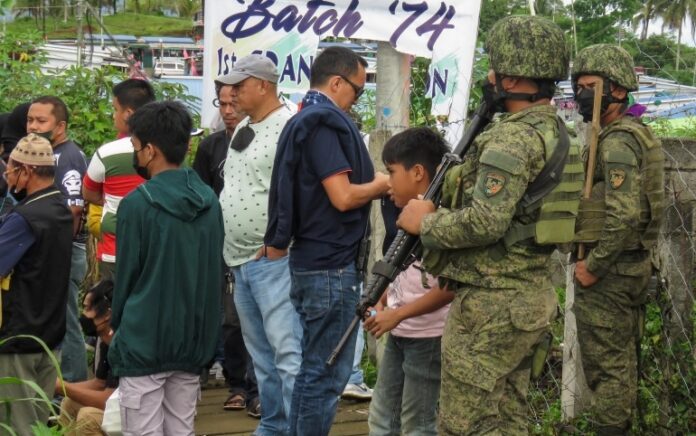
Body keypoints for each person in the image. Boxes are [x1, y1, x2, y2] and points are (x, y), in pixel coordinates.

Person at [396, 15, 569, 434]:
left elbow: (486, 222)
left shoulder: (512, 138)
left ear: (512, 77)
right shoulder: (556, 132)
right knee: (506, 418)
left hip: (493, 305)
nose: (489, 76)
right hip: (525, 299)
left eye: (495, 68)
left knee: (464, 425)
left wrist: (428, 223)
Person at [265, 46, 390, 436]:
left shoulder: (304, 117)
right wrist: (383, 183)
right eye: (357, 89)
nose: (357, 99)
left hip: (311, 261)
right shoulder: (323, 123)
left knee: (313, 369)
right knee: (327, 374)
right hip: (330, 267)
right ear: (336, 82)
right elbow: (343, 196)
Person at [108, 101, 223, 434]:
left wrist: (118, 329)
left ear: (150, 150)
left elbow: (127, 278)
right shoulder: (210, 201)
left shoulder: (137, 204)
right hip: (193, 340)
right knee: (180, 429)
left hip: (144, 340)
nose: (135, 154)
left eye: (135, 147)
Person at [571, 44, 665, 435]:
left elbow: (623, 215)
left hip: (611, 274)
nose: (581, 94)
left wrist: (593, 267)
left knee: (607, 370)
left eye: (590, 85)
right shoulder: (629, 135)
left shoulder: (617, 142)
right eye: (577, 86)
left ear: (619, 91)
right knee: (621, 364)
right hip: (627, 269)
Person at [217, 54, 302, 435]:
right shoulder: (242, 127)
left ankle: (298, 427)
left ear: (263, 85)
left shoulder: (290, 126)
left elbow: (302, 190)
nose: (232, 94)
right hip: (238, 258)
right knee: (261, 354)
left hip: (273, 257)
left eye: (239, 85)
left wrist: (281, 242)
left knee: (287, 352)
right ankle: (273, 423)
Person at [364, 127, 454, 436]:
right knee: (382, 418)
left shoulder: (442, 220)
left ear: (417, 172)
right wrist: (381, 299)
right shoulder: (401, 213)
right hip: (401, 330)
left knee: (418, 424)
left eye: (391, 172)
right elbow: (400, 269)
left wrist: (397, 314)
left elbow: (448, 288)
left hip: (429, 336)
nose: (387, 182)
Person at [192, 79, 260, 417]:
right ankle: (237, 384)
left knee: (262, 319)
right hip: (222, 243)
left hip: (260, 243)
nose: (229, 111)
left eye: (234, 103)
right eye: (222, 104)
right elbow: (200, 196)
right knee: (231, 318)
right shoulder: (211, 148)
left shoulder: (265, 141)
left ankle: (260, 388)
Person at [0, 134, 73, 435]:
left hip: (17, 339)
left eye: (12, 169)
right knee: (37, 420)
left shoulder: (25, 217)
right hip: (50, 336)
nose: (8, 174)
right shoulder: (60, 209)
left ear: (27, 171)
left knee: (15, 425)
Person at [26, 96, 89, 384]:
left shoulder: (68, 155)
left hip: (66, 251)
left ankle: (72, 387)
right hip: (53, 251)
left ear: (60, 125)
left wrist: (59, 252)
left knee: (67, 320)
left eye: (42, 121)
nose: (34, 127)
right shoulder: (46, 152)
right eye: (30, 120)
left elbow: (74, 209)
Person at [82, 79, 155, 280]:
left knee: (113, 308)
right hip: (154, 250)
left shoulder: (107, 153)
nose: (113, 115)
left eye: (115, 109)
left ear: (129, 114)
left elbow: (88, 193)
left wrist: (113, 199)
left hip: (115, 250)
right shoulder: (165, 152)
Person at [56, 280, 118, 436]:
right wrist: (62, 387)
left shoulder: (121, 344)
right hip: (117, 407)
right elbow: (99, 383)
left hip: (132, 412)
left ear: (107, 314)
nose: (83, 315)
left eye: (87, 308)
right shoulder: (105, 340)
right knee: (70, 403)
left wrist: (61, 387)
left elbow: (107, 399)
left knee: (88, 416)